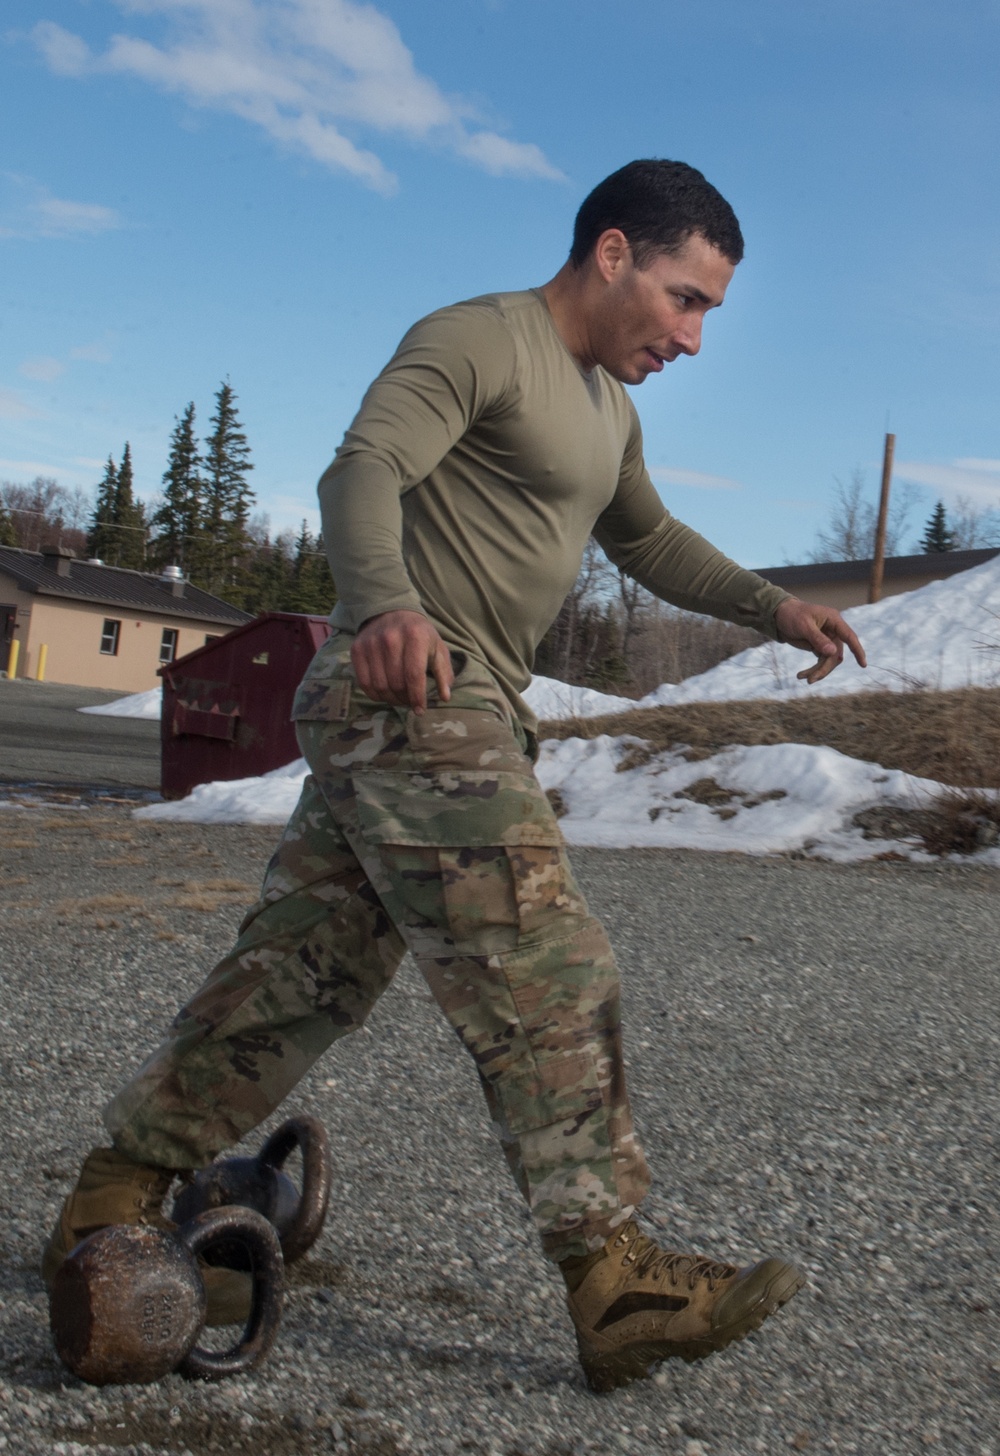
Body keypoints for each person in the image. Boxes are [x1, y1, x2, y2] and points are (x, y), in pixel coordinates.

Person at [43, 159, 865, 1393]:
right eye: (685, 299)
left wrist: (770, 607)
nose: (692, 337)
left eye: (708, 312)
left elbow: (645, 537)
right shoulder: (479, 338)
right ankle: (611, 1276)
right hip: (416, 695)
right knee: (542, 949)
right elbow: (359, 469)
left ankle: (103, 1209)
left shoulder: (607, 409)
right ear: (610, 255)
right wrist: (383, 606)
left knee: (298, 973)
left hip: (445, 712)